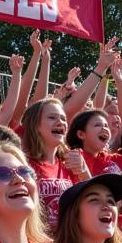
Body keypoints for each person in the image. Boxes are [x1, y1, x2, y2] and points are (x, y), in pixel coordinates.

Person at [20, 98, 87, 231]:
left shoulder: (71, 163)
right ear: (35, 125)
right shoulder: (23, 164)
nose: (60, 122)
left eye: (63, 118)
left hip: (69, 242)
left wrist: (84, 172)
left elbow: (91, 200)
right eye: (52, 117)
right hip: (39, 240)